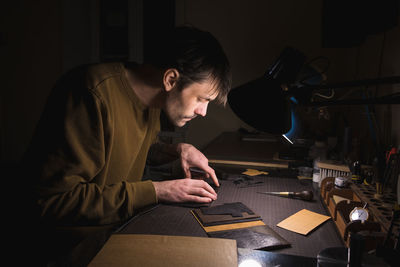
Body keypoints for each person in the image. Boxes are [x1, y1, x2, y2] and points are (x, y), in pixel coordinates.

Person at [20, 26, 231, 264]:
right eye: (201, 99)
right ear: (171, 79)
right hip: (64, 252)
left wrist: (176, 150)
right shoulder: (92, 93)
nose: (203, 112)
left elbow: (119, 149)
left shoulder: (153, 101)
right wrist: (158, 190)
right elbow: (53, 201)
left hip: (111, 236)